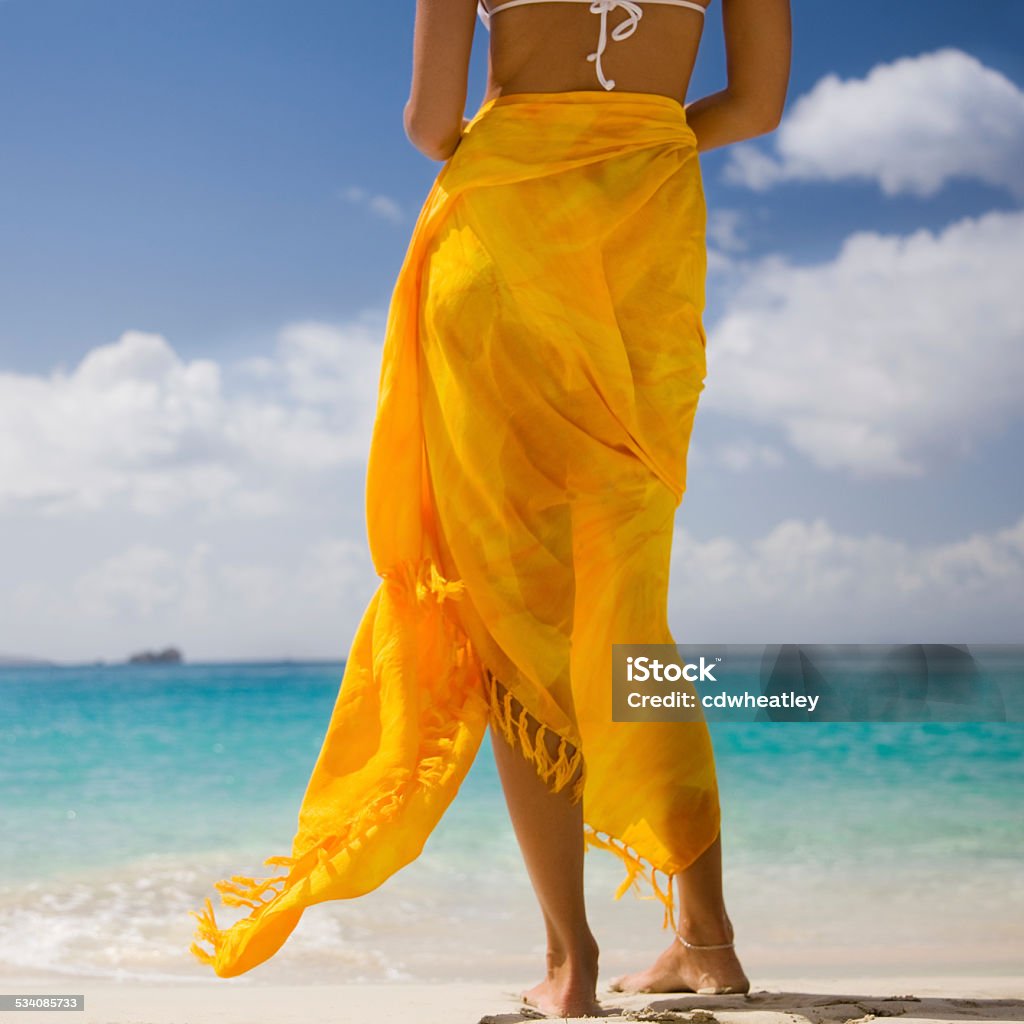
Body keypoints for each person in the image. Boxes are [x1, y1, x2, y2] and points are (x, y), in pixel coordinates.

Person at [188, 1, 791, 1018]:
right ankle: (706, 939)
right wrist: (633, 134)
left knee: (516, 610)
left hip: (500, 244)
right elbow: (757, 104)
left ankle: (571, 967)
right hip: (640, 252)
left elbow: (431, 124)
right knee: (631, 603)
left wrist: (534, 139)